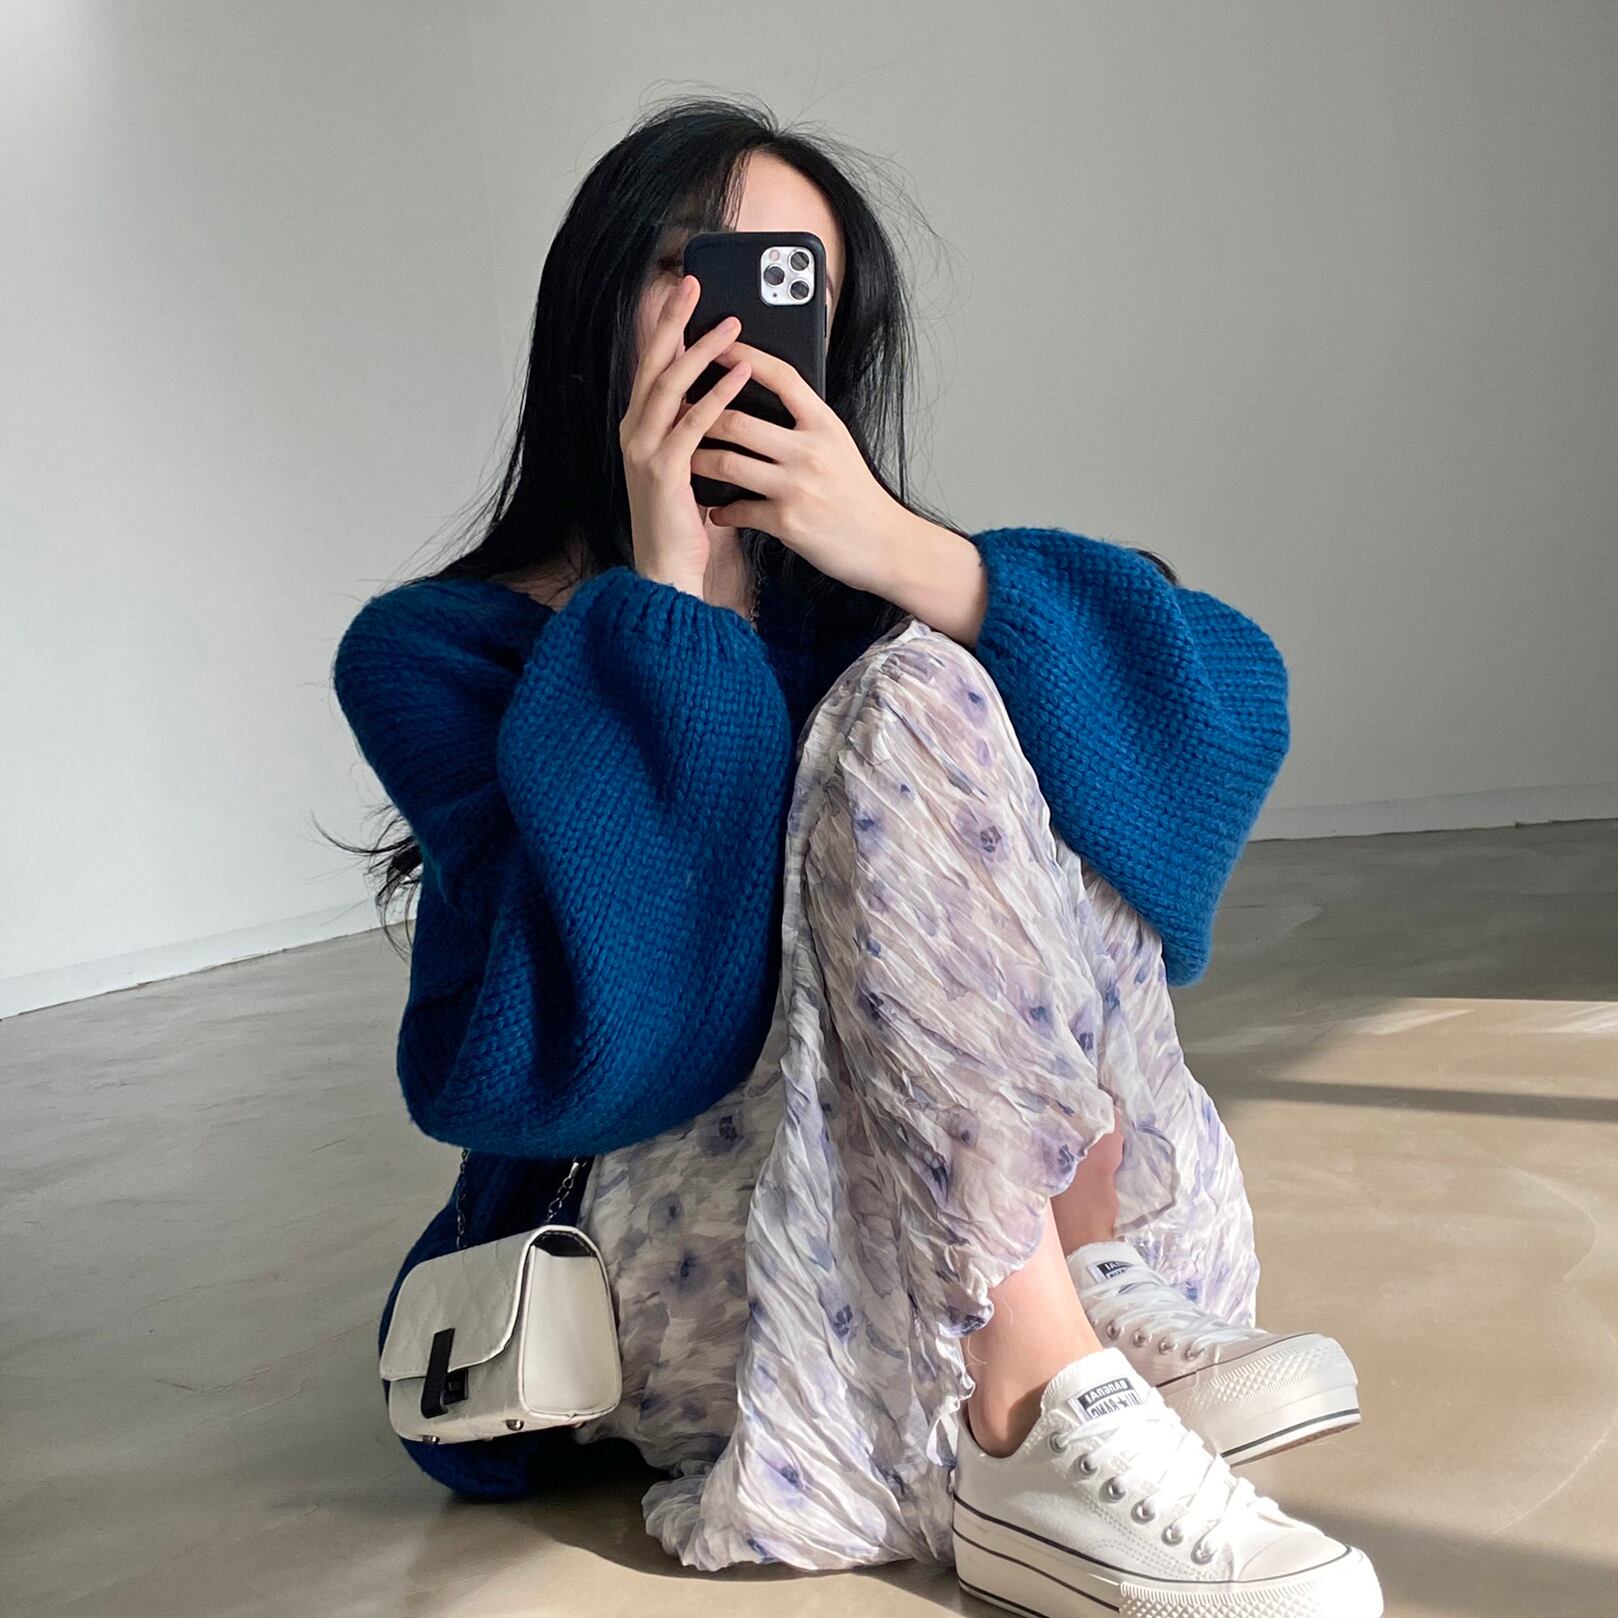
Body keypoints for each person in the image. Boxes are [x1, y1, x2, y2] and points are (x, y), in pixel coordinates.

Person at [331, 96, 1382, 1618]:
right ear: (598, 301)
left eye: (792, 282)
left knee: (971, 682)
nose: (736, 316)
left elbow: (1229, 706)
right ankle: (1031, 1416)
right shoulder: (438, 648)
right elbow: (586, 1063)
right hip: (719, 1271)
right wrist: (672, 607)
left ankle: (1073, 1318)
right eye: (695, 264)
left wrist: (901, 551)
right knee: (914, 700)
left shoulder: (871, 587)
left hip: (1080, 1236)